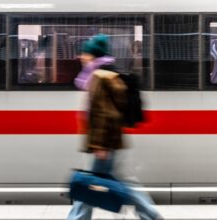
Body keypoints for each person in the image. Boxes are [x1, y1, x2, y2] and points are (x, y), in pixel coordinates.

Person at [68, 34, 162, 220]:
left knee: (91, 183)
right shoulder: (103, 74)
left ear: (93, 55)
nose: (81, 56)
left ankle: (150, 215)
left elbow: (105, 113)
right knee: (99, 182)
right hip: (108, 141)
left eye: (85, 53)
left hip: (105, 143)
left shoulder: (100, 76)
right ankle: (150, 215)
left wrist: (100, 145)